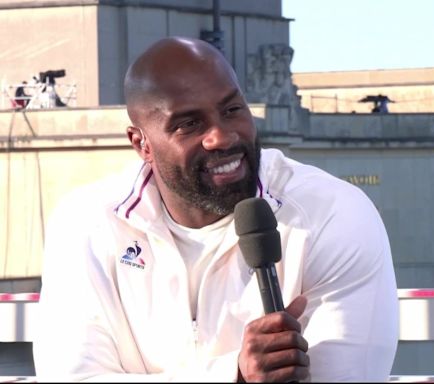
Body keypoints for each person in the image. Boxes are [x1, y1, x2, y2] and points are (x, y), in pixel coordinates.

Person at [33, 36, 399, 382]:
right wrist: (232, 374)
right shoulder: (86, 223)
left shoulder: (333, 215)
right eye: (189, 124)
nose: (222, 136)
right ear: (141, 143)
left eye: (232, 109)